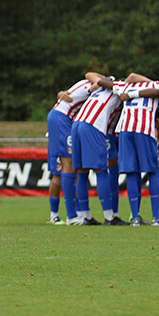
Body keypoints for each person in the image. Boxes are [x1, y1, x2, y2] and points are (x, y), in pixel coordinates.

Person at [71, 75, 133, 224]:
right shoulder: (120, 87)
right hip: (93, 125)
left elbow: (91, 76)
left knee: (82, 172)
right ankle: (109, 217)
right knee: (101, 171)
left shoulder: (103, 86)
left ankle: (86, 216)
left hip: (77, 124)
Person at [45, 73, 103, 225]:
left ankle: (69, 214)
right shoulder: (93, 85)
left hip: (60, 120)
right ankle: (70, 216)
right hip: (61, 120)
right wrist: (104, 82)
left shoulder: (82, 84)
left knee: (67, 168)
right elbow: (94, 82)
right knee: (67, 167)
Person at [115, 78, 159, 225]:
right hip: (143, 129)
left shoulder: (124, 85)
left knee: (132, 173)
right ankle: (156, 218)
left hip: (125, 130)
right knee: (153, 172)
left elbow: (105, 82)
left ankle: (135, 218)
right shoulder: (155, 84)